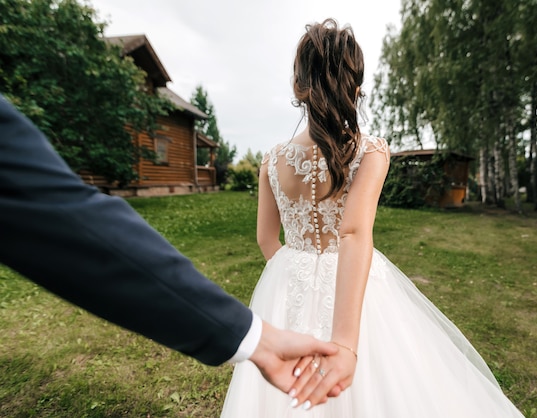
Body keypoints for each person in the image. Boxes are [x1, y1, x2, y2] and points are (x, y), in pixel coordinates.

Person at [220, 19, 525, 417]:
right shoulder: (371, 152)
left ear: (298, 87)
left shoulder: (271, 160)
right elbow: (353, 234)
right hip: (356, 288)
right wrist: (345, 342)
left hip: (286, 279)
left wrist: (294, 276)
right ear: (357, 88)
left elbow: (266, 240)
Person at [0, 93, 340, 403]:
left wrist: (257, 328)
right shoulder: (367, 151)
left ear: (298, 88)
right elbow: (63, 217)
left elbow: (53, 212)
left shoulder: (278, 158)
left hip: (288, 272)